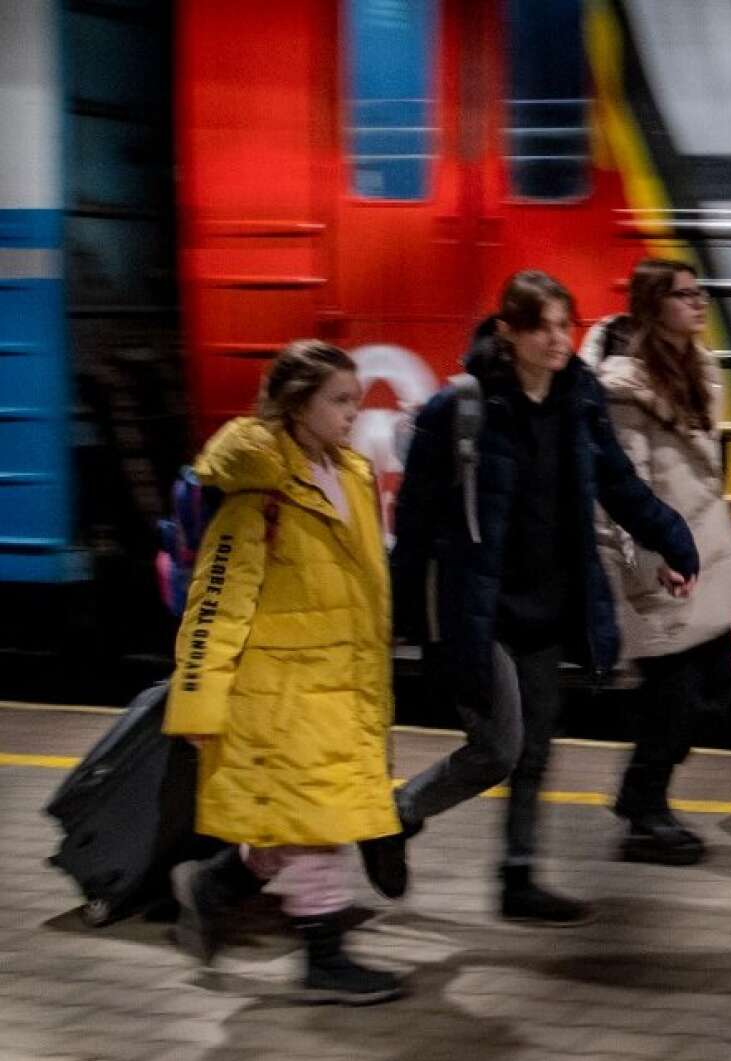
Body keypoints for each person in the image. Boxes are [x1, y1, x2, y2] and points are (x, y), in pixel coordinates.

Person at [362, 271, 701, 924]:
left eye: (564, 325)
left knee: (536, 748)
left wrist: (673, 543)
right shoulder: (458, 409)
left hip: (547, 603)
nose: (557, 339)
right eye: (541, 326)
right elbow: (419, 520)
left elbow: (618, 483)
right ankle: (396, 815)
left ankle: (518, 878)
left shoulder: (579, 399)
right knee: (498, 747)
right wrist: (401, 615)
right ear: (507, 333)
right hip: (477, 609)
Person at [164, 341, 403, 1004]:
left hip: (339, 681)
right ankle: (323, 957)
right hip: (282, 691)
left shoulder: (349, 472)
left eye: (356, 398)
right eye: (340, 400)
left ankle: (214, 885)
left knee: (298, 821)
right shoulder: (258, 494)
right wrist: (198, 703)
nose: (355, 412)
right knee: (318, 826)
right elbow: (218, 601)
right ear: (298, 404)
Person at [588, 259, 731, 865]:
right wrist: (648, 566)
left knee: (719, 680)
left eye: (700, 295)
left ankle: (642, 796)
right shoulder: (624, 389)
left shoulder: (698, 370)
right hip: (665, 558)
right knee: (675, 695)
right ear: (652, 307)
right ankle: (645, 809)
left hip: (704, 554)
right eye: (684, 296)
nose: (699, 305)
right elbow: (626, 486)